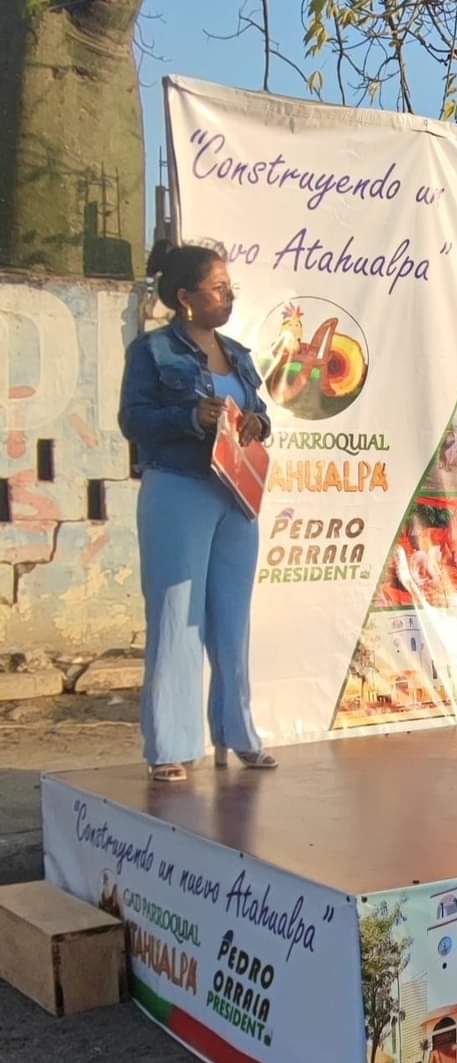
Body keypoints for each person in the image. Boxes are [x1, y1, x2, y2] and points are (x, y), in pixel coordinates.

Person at [119, 242, 277, 783]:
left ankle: (239, 734)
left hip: (236, 496)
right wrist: (192, 416)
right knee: (176, 616)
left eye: (231, 289)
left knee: (232, 620)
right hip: (179, 488)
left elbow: (260, 412)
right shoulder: (153, 351)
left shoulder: (238, 354)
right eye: (218, 289)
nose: (229, 297)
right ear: (186, 297)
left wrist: (256, 423)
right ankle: (170, 745)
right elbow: (134, 420)